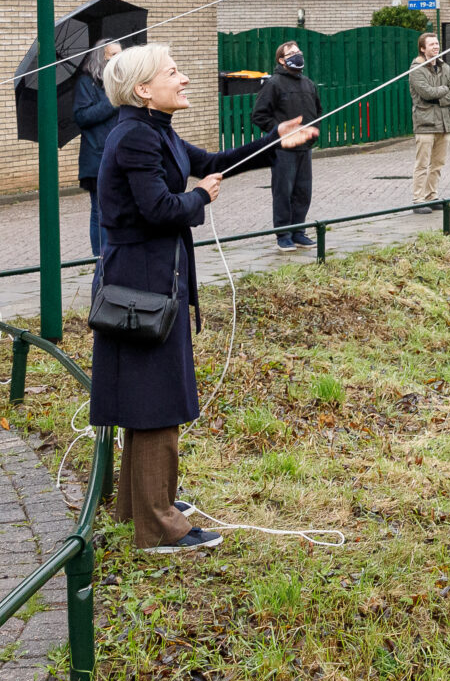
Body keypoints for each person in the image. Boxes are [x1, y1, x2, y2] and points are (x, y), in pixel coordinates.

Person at [91, 43, 316, 554]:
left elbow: (210, 161)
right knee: (155, 400)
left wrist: (274, 141)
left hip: (150, 274)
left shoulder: (153, 130)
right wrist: (201, 197)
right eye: (174, 72)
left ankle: (143, 501)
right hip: (141, 282)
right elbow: (159, 208)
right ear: (144, 90)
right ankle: (159, 524)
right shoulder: (134, 139)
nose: (185, 78)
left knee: (151, 395)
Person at [252, 41, 321, 249]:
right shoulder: (274, 84)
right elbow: (259, 115)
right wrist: (281, 133)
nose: (297, 55)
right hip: (283, 150)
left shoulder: (308, 84)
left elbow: (318, 111)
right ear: (282, 60)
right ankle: (283, 234)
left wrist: (311, 133)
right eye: (291, 53)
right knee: (284, 191)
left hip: (304, 148)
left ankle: (298, 231)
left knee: (303, 191)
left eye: (298, 51)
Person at [73, 40, 123, 259]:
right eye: (112, 54)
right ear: (100, 58)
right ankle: (100, 260)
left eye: (120, 53)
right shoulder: (87, 83)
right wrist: (113, 101)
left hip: (122, 155)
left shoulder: (123, 82)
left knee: (123, 208)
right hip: (97, 156)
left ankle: (121, 256)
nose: (118, 58)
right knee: (100, 210)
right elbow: (82, 117)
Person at [409, 32, 450, 203]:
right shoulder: (416, 69)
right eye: (432, 44)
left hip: (445, 123)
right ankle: (418, 199)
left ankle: (432, 196)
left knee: (438, 164)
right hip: (425, 123)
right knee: (422, 165)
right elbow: (426, 93)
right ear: (423, 49)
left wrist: (441, 99)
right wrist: (444, 90)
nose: (436, 47)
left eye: (437, 44)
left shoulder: (445, 67)